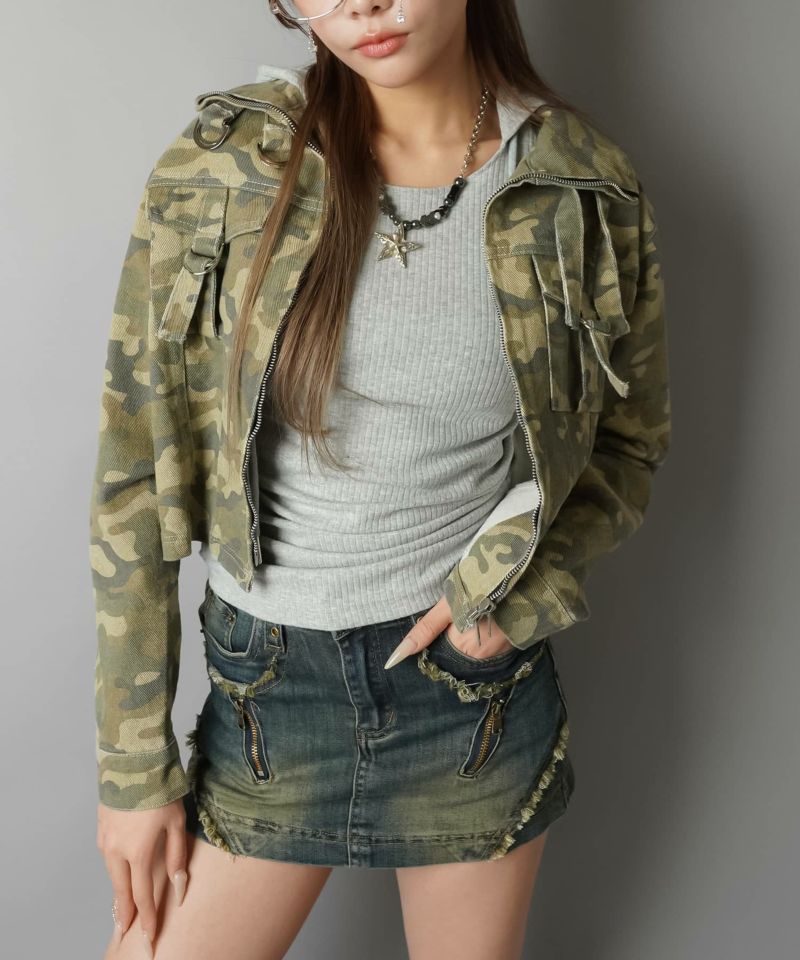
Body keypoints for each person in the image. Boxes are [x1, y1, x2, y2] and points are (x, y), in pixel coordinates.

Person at [91, 1, 671, 957]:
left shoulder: (580, 187)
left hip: (469, 698)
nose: (359, 5)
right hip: (269, 694)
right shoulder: (225, 166)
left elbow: (628, 442)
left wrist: (515, 596)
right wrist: (131, 768)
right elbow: (133, 472)